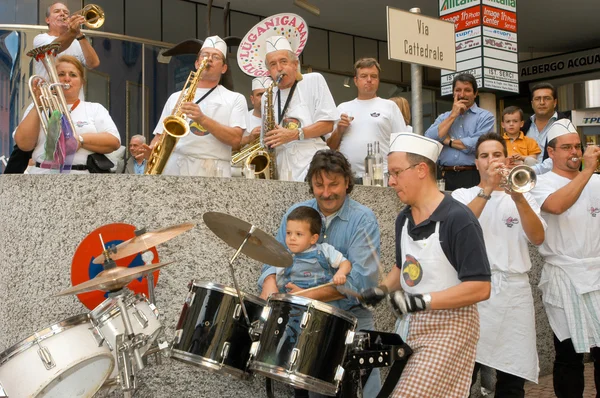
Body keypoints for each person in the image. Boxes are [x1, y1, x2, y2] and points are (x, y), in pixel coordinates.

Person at [362, 132, 491, 397]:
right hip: (412, 325)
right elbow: (404, 267)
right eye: (390, 174)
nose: (391, 181)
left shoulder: (459, 219)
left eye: (396, 172)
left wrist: (421, 301)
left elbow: (480, 288)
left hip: (451, 327)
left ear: (421, 170)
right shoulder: (404, 218)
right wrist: (383, 289)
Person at [258, 149, 382, 397]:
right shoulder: (297, 212)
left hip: (351, 319)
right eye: (318, 185)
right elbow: (273, 258)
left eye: (334, 184)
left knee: (367, 391)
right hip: (302, 322)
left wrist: (305, 296)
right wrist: (269, 286)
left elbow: (360, 282)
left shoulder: (363, 219)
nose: (326, 193)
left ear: (347, 182)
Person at [452, 133, 545, 397]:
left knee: (513, 378)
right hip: (474, 292)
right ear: (476, 163)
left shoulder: (524, 193)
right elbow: (459, 229)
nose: (491, 161)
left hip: (514, 294)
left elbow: (538, 238)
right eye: (484, 156)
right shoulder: (462, 194)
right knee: (464, 372)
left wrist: (518, 197)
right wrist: (488, 189)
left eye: (496, 155)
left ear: (506, 159)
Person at [529, 119, 600, 398]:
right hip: (563, 275)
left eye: (577, 146)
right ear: (551, 152)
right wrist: (589, 169)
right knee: (568, 355)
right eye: (567, 147)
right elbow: (557, 206)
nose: (574, 152)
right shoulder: (540, 183)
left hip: (597, 272)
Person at [146, 36, 247, 176]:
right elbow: (160, 136)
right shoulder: (175, 97)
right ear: (197, 63)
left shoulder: (235, 98)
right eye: (205, 55)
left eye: (216, 56)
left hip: (214, 169)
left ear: (224, 68)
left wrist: (202, 119)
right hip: (175, 167)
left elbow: (236, 140)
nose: (209, 59)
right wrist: (151, 149)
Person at [13, 55, 120, 174]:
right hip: (42, 174)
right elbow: (23, 144)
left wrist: (80, 140)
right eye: (61, 74)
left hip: (82, 176)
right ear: (53, 81)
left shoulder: (94, 108)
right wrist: (37, 105)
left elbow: (113, 142)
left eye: (73, 75)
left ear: (82, 83)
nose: (67, 79)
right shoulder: (38, 106)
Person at [261, 36, 339, 182]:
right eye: (273, 64)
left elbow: (328, 125)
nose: (279, 68)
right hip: (281, 168)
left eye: (283, 61)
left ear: (295, 64)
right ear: (269, 71)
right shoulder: (268, 94)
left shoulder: (314, 80)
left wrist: (294, 134)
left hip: (312, 164)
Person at [327, 58, 406, 179]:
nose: (369, 80)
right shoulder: (343, 108)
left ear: (378, 80)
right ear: (356, 80)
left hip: (381, 175)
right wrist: (339, 130)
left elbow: (402, 144)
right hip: (347, 175)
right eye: (364, 76)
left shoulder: (390, 106)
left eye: (373, 76)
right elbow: (329, 147)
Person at [425, 73, 495, 191]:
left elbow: (477, 144)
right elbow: (429, 139)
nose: (462, 95)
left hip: (472, 174)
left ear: (475, 93)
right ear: (453, 93)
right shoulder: (444, 117)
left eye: (467, 90)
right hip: (444, 175)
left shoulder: (485, 117)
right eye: (458, 90)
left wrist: (448, 141)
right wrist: (453, 115)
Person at [276, 206, 352, 293]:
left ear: (313, 238)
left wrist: (340, 273)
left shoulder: (324, 250)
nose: (292, 238)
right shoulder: (284, 257)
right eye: (288, 233)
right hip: (294, 301)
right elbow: (279, 283)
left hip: (321, 299)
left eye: (298, 234)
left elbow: (345, 263)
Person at [33, 2, 100, 80]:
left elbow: (93, 63)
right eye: (57, 11)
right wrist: (73, 32)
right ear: (47, 20)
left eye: (66, 12)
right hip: (51, 90)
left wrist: (79, 34)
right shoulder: (40, 38)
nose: (62, 14)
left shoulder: (78, 41)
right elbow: (55, 48)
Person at [523, 82, 567, 175]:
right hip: (524, 183)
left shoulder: (565, 125)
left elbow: (567, 157)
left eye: (547, 98)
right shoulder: (524, 127)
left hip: (556, 183)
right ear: (532, 103)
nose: (542, 102)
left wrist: (531, 171)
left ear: (555, 102)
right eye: (537, 99)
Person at [239, 76, 272, 149]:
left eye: (268, 94)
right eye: (260, 95)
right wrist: (249, 138)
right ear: (252, 99)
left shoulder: (281, 117)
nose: (264, 98)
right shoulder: (242, 119)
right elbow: (231, 145)